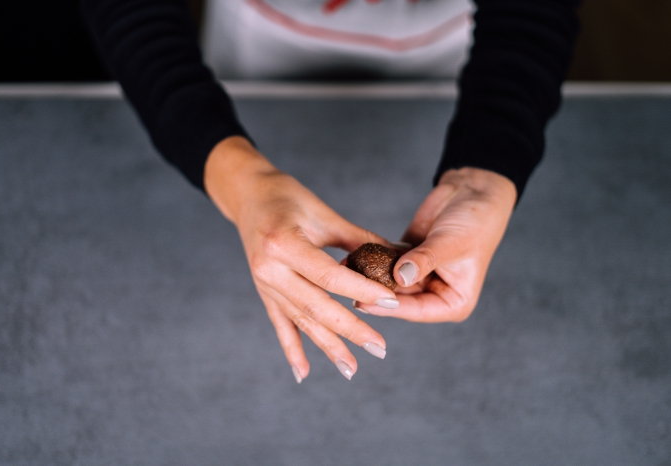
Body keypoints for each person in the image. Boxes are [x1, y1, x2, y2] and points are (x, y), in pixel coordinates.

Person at [81, 0, 580, 382]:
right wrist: (242, 179)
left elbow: (531, 13)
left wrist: (483, 172)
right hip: (260, 39)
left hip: (448, 52)